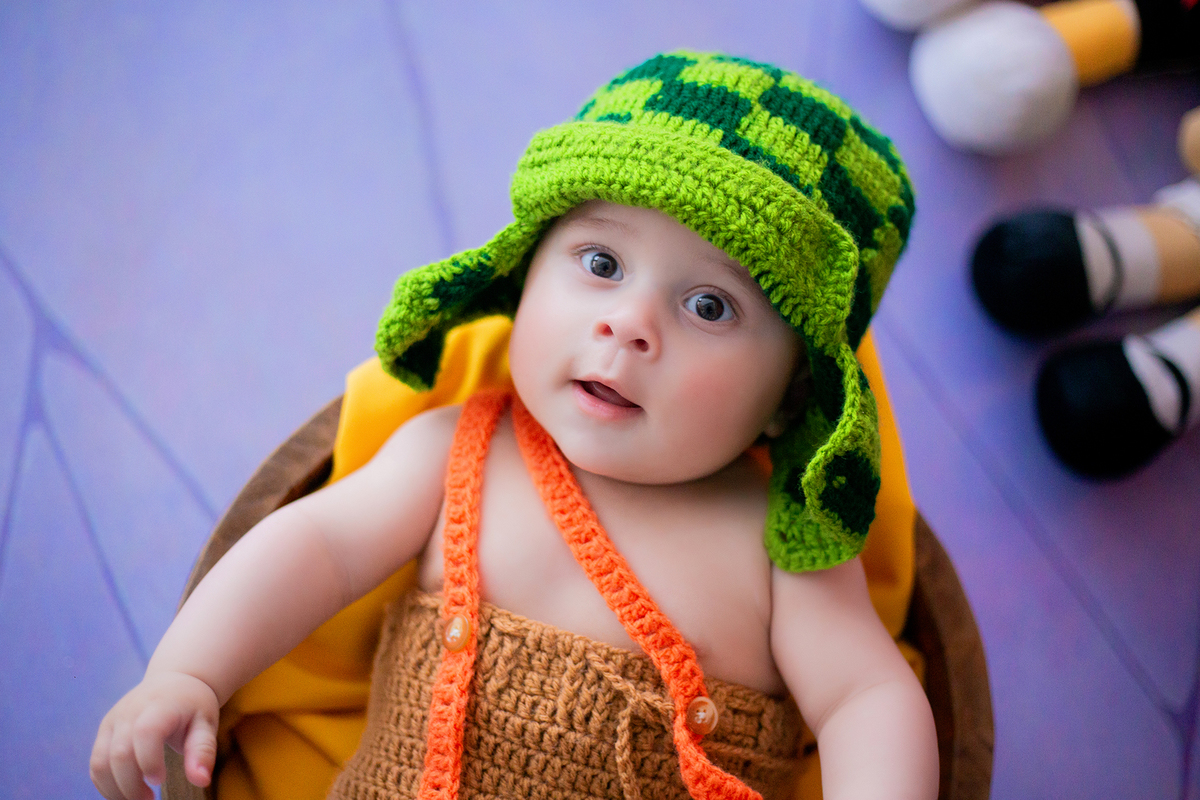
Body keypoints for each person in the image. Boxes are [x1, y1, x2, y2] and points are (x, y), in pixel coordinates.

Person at [90, 52, 938, 800]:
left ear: (795, 394)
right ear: (527, 270)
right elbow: (315, 546)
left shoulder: (784, 544)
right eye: (601, 264)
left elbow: (866, 699)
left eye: (709, 306)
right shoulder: (459, 448)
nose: (629, 324)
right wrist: (190, 672)